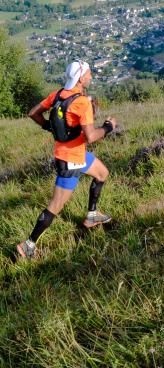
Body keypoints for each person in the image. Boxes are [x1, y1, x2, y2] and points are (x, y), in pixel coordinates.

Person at [17, 60, 117, 259]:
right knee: (55, 206)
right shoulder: (82, 103)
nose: (91, 76)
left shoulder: (58, 94)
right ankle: (27, 246)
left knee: (102, 173)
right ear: (81, 78)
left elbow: (33, 113)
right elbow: (90, 136)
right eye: (89, 73)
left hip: (75, 154)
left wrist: (49, 127)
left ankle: (91, 215)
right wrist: (108, 127)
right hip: (70, 161)